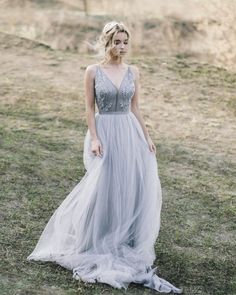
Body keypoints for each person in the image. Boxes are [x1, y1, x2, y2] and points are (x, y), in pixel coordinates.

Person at [27, 21, 183, 294]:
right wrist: (95, 138)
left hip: (129, 132)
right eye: (117, 42)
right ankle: (93, 238)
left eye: (125, 42)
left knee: (129, 185)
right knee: (101, 185)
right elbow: (89, 108)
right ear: (107, 42)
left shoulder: (133, 71)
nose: (121, 47)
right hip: (105, 131)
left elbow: (135, 107)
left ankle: (125, 237)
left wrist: (147, 136)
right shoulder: (93, 71)